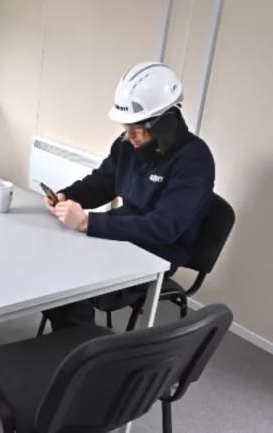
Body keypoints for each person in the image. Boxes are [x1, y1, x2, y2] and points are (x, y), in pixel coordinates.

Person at [43, 62, 215, 330]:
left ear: (165, 124)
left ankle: (79, 355)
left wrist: (87, 223)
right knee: (55, 259)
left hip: (158, 251)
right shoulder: (127, 145)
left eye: (137, 128)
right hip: (123, 231)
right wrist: (67, 195)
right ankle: (68, 343)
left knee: (72, 279)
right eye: (126, 126)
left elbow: (164, 227)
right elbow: (102, 182)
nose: (128, 135)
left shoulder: (194, 160)